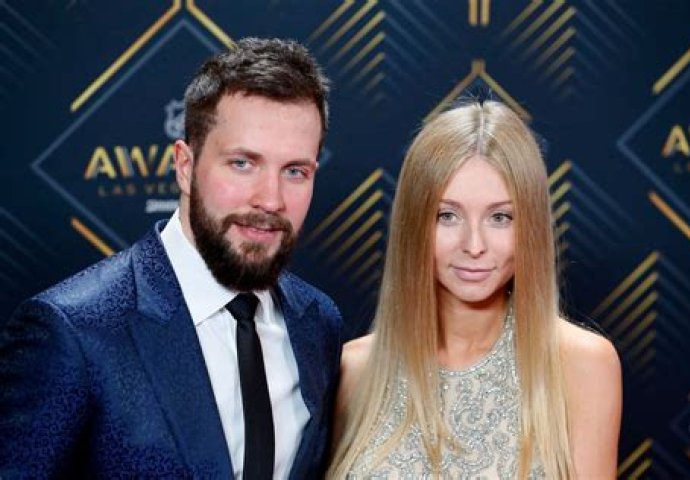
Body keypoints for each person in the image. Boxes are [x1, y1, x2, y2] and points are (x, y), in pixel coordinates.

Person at [0, 37, 342, 479]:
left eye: (295, 171)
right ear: (185, 165)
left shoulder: (318, 323)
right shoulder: (73, 331)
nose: (271, 199)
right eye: (242, 163)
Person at [328, 101, 622, 479]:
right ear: (414, 224)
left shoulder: (582, 364)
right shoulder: (353, 369)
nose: (474, 245)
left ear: (530, 226)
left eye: (500, 217)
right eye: (447, 215)